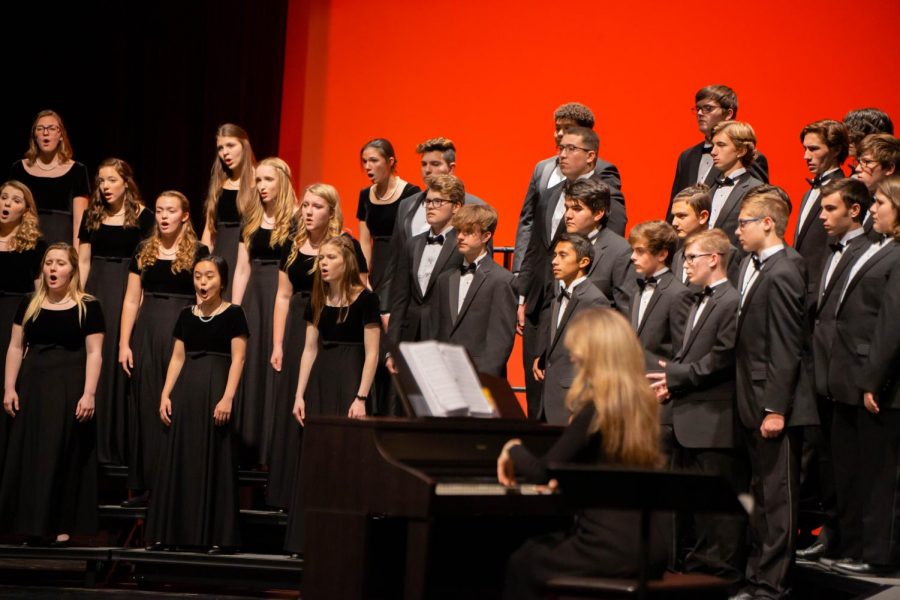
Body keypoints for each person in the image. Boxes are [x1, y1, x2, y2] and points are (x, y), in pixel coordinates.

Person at [498, 308, 669, 600]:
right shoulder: (641, 406)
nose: (573, 358)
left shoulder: (596, 409)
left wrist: (511, 448)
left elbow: (543, 471)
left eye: (577, 351)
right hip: (650, 547)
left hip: (608, 548)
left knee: (523, 560)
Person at [647, 229, 746, 585]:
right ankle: (699, 568)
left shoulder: (731, 301)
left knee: (718, 508)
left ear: (713, 259)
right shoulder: (695, 300)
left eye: (691, 257)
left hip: (715, 419)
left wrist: (676, 375)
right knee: (696, 505)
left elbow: (722, 356)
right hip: (690, 416)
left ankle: (721, 573)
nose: (684, 264)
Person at [732, 188, 818, 599]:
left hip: (776, 406)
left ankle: (772, 587)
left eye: (744, 222)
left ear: (767, 222)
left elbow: (787, 345)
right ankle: (756, 579)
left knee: (778, 503)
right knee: (762, 501)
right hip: (754, 401)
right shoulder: (760, 267)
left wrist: (774, 408)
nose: (737, 231)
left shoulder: (785, 270)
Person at [266, 183, 367, 509]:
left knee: (319, 402)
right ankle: (285, 492)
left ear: (331, 212)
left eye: (317, 206)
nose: (308, 212)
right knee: (292, 403)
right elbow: (282, 295)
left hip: (328, 326)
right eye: (305, 205)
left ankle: (318, 488)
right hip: (297, 326)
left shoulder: (345, 245)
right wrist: (278, 342)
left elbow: (362, 290)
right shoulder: (292, 245)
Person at [0, 243, 103, 546]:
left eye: (60, 263)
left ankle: (61, 523)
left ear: (72, 269)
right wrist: (9, 387)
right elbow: (16, 347)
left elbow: (95, 352)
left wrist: (89, 393)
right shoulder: (29, 302)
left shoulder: (89, 306)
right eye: (48, 263)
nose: (52, 269)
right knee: (32, 453)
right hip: (33, 383)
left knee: (63, 454)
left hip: (69, 383)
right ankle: (30, 524)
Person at [284, 234, 380, 556]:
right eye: (320, 258)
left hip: (352, 379)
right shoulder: (318, 297)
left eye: (329, 258)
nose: (322, 263)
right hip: (322, 381)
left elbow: (372, 354)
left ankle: (344, 541)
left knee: (346, 460)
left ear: (346, 262)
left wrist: (361, 397)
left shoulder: (366, 300)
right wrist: (299, 395)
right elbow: (309, 350)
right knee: (317, 458)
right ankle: (308, 539)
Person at [146, 255, 248, 554]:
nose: (203, 283)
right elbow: (177, 358)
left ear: (223, 281)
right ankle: (172, 532)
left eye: (210, 277)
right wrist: (165, 394)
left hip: (216, 388)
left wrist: (228, 396)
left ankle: (217, 535)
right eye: (198, 276)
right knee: (180, 458)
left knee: (214, 459)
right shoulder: (185, 315)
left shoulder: (234, 314)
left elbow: (239, 359)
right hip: (186, 391)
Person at [828, 176, 900, 576]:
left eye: (881, 204)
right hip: (854, 374)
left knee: (881, 476)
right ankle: (857, 547)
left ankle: (880, 557)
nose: (873, 209)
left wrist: (874, 380)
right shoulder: (881, 247)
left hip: (881, 384)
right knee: (858, 469)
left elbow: (891, 324)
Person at [119, 191, 209, 507]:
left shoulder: (199, 251)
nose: (164, 216)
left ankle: (175, 484)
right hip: (147, 331)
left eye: (171, 210)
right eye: (159, 210)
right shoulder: (143, 249)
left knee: (172, 405)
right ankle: (146, 485)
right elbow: (131, 299)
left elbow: (203, 299)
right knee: (145, 405)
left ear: (185, 215)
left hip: (180, 332)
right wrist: (124, 343)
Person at [803, 179, 871, 563]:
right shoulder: (830, 251)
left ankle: (855, 542)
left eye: (830, 209)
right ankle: (834, 536)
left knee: (851, 465)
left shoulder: (866, 252)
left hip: (848, 373)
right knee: (828, 464)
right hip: (823, 372)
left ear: (855, 210)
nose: (822, 216)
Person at [77, 159, 154, 465]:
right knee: (94, 358)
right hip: (96, 290)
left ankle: (118, 448)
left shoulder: (143, 217)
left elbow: (148, 262)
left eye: (111, 180)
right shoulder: (91, 215)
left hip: (128, 291)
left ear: (126, 182)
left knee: (120, 362)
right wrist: (78, 297)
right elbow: (83, 261)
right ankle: (90, 444)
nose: (105, 187)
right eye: (101, 181)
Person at [230, 157, 296, 466]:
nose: (261, 186)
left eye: (268, 180)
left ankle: (274, 450)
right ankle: (249, 446)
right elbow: (242, 269)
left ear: (282, 182)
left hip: (282, 296)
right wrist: (235, 309)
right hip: (254, 298)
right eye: (258, 181)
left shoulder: (296, 219)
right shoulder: (252, 217)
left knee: (277, 366)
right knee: (252, 364)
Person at [514, 102, 628, 274]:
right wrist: (519, 268)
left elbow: (611, 222)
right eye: (557, 128)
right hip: (541, 270)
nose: (560, 134)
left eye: (567, 128)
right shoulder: (542, 168)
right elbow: (528, 221)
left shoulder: (602, 170)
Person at [627, 221, 692, 457]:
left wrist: (670, 385)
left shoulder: (678, 294)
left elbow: (683, 350)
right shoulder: (637, 289)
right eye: (633, 250)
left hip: (660, 403)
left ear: (663, 254)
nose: (633, 257)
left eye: (640, 251)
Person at [429, 204, 516, 377]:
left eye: (468, 232)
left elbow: (499, 342)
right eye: (459, 231)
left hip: (480, 377)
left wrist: (483, 380)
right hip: (445, 374)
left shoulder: (502, 280)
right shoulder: (444, 279)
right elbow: (436, 331)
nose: (460, 237)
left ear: (486, 236)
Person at [533, 233, 609, 424]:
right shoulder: (559, 296)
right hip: (550, 394)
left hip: (574, 398)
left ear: (583, 262)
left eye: (562, 255)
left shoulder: (594, 300)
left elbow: (597, 357)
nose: (554, 261)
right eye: (555, 255)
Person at [387, 175, 464, 353]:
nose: (430, 207)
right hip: (410, 336)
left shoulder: (462, 245)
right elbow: (400, 299)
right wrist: (392, 348)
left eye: (438, 202)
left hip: (445, 337)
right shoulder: (412, 244)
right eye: (428, 202)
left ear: (456, 206)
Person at [667, 85, 769, 219]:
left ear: (728, 114)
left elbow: (758, 205)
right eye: (698, 109)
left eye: (708, 108)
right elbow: (674, 206)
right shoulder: (687, 156)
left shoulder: (750, 156)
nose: (699, 113)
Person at [0, 181, 45, 479]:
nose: (6, 204)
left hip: (13, 320)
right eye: (3, 197)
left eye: (15, 200)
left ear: (25, 210)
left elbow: (39, 294)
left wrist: (33, 333)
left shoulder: (34, 246)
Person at [8, 110, 90, 246]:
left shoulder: (78, 171)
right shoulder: (18, 169)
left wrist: (76, 261)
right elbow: (9, 215)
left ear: (61, 135)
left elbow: (79, 224)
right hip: (24, 246)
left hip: (60, 251)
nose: (46, 133)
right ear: (35, 135)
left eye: (52, 128)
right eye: (40, 129)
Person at [357, 138, 419, 315]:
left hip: (400, 264)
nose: (368, 166)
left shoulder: (411, 193)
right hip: (377, 265)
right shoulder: (365, 195)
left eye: (374, 160)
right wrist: (364, 277)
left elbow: (414, 238)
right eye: (365, 161)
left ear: (390, 162)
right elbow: (364, 241)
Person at [793, 120, 849, 308]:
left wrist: (819, 295)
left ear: (835, 150)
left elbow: (833, 247)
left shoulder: (843, 191)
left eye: (814, 149)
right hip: (798, 292)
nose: (805, 156)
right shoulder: (808, 193)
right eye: (805, 148)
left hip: (817, 297)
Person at [201, 124, 257, 300]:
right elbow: (209, 230)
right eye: (220, 148)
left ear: (244, 145)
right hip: (220, 256)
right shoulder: (219, 184)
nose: (225, 153)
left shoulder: (259, 182)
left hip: (245, 259)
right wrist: (203, 264)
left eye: (231, 145)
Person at [707, 121, 766, 248]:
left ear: (741, 151)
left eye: (721, 145)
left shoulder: (756, 189)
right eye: (713, 145)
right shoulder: (710, 189)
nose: (713, 151)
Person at [670, 185, 742, 287]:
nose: (674, 223)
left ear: (703, 217)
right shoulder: (677, 256)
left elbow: (728, 298)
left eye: (681, 216)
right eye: (674, 216)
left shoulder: (726, 253)